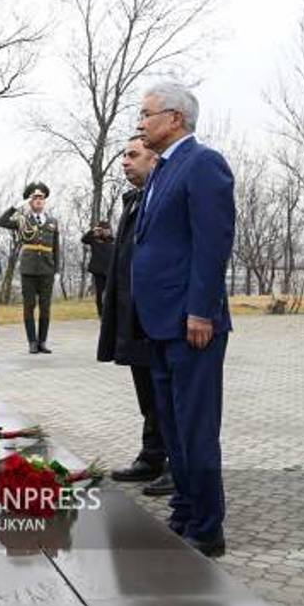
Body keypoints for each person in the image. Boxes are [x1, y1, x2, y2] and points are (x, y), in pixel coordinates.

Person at [132, 82, 235, 557]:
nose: (140, 122)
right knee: (173, 427)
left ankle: (208, 528)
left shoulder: (203, 164)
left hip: (191, 323)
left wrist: (202, 310)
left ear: (174, 118)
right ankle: (185, 511)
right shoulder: (161, 171)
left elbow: (212, 247)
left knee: (195, 427)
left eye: (146, 114)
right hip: (159, 324)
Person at [98, 135, 173, 496]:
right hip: (132, 313)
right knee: (146, 389)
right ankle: (152, 455)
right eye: (122, 156)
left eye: (132, 155)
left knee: (164, 394)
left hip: (154, 316)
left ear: (154, 160)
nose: (124, 162)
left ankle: (177, 463)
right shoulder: (134, 199)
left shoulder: (160, 199)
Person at [0, 182, 60, 354]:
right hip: (29, 269)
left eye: (41, 197)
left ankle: (42, 342)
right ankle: (32, 342)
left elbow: (56, 247)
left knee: (45, 307)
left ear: (44, 200)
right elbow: (1, 221)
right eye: (35, 197)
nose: (38, 200)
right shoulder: (22, 220)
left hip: (47, 269)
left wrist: (57, 270)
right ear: (30, 201)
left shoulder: (53, 221)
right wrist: (15, 207)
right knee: (29, 306)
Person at [81, 220, 113, 317]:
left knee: (110, 292)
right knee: (100, 292)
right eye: (104, 230)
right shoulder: (94, 239)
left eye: (108, 229)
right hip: (98, 270)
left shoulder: (113, 240)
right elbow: (84, 240)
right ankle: (101, 313)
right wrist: (93, 231)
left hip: (110, 270)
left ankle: (110, 312)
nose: (106, 232)